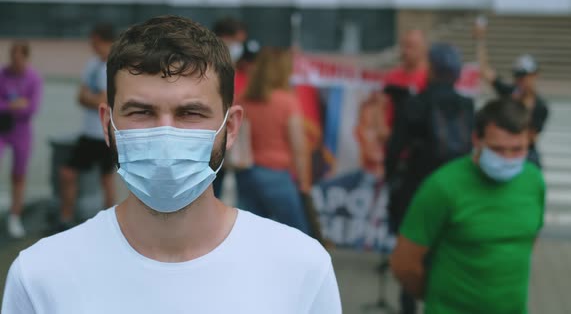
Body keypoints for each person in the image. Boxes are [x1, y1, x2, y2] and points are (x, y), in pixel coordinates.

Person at [2, 15, 341, 313]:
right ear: (107, 124)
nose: (165, 133)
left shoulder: (302, 269)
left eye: (190, 113)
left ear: (232, 127)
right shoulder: (39, 276)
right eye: (141, 112)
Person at [390, 98, 545, 314]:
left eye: (517, 149)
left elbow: (529, 239)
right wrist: (437, 296)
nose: (508, 158)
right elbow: (404, 263)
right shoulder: (442, 186)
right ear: (476, 140)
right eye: (497, 149)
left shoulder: (534, 180)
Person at [385, 43, 474, 314]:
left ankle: (409, 305)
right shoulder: (467, 104)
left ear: (431, 70)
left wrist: (391, 180)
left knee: (411, 252)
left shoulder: (415, 104)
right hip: (457, 191)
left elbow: (394, 148)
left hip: (416, 188)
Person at [236, 47, 312, 235]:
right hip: (276, 174)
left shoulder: (243, 99)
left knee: (252, 234)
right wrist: (304, 181)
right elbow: (298, 147)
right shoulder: (287, 101)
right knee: (297, 234)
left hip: (245, 173)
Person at [311, 93, 393, 250]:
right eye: (372, 128)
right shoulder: (328, 189)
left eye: (388, 127)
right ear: (358, 132)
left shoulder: (406, 190)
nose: (382, 135)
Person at [57, 23, 116, 231]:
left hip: (106, 133)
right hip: (88, 133)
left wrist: (91, 98)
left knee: (107, 179)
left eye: (94, 41)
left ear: (103, 40)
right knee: (68, 173)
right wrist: (93, 98)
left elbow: (103, 101)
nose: (91, 45)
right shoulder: (92, 63)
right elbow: (81, 97)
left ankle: (112, 225)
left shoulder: (114, 66)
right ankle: (66, 218)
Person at [474, 21, 549, 167]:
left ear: (535, 76)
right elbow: (485, 71)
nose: (521, 81)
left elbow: (530, 138)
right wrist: (480, 40)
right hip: (501, 147)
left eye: (525, 76)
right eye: (518, 76)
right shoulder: (510, 92)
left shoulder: (540, 106)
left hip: (525, 153)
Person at [0, 41, 43, 238]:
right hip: (2, 128)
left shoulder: (33, 78)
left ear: (25, 58)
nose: (15, 62)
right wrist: (14, 105)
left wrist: (11, 105)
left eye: (19, 58)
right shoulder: (3, 74)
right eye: (12, 57)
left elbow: (32, 108)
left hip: (21, 131)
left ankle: (14, 217)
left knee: (19, 174)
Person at [212, 17, 249, 198]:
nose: (238, 47)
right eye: (236, 42)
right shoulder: (208, 69)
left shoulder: (241, 72)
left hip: (234, 137)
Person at [382, 29, 429, 127]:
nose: (406, 51)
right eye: (403, 45)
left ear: (424, 48)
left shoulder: (430, 78)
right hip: (393, 135)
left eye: (411, 46)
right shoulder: (391, 77)